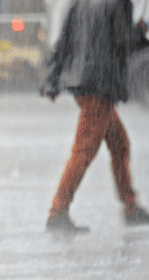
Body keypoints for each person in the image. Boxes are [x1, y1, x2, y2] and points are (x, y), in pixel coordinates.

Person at [42, 0, 149, 234]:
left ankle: (130, 206)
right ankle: (58, 210)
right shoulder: (118, 4)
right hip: (100, 86)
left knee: (119, 143)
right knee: (84, 150)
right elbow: (124, 42)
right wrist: (141, 31)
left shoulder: (80, 3)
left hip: (82, 83)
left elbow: (63, 41)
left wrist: (52, 79)